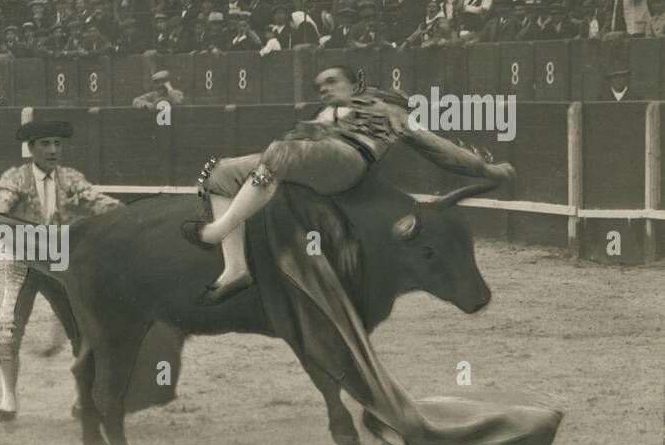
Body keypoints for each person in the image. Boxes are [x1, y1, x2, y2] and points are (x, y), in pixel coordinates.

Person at [181, 65, 515, 304]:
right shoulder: (324, 114)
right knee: (220, 174)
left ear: (357, 85)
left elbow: (444, 151)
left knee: (280, 151)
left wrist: (490, 170)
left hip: (348, 160)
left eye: (331, 81)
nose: (323, 88)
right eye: (318, 86)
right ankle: (236, 268)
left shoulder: (386, 110)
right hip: (306, 159)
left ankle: (216, 230)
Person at [0, 120, 119, 421]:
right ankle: (8, 399)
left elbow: (97, 202)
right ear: (31, 148)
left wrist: (129, 216)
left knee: (84, 328)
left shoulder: (69, 178)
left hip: (61, 265)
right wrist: (38, 238)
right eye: (45, 144)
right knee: (8, 326)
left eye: (57, 144)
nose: (53, 150)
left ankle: (82, 398)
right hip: (25, 263)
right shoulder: (15, 179)